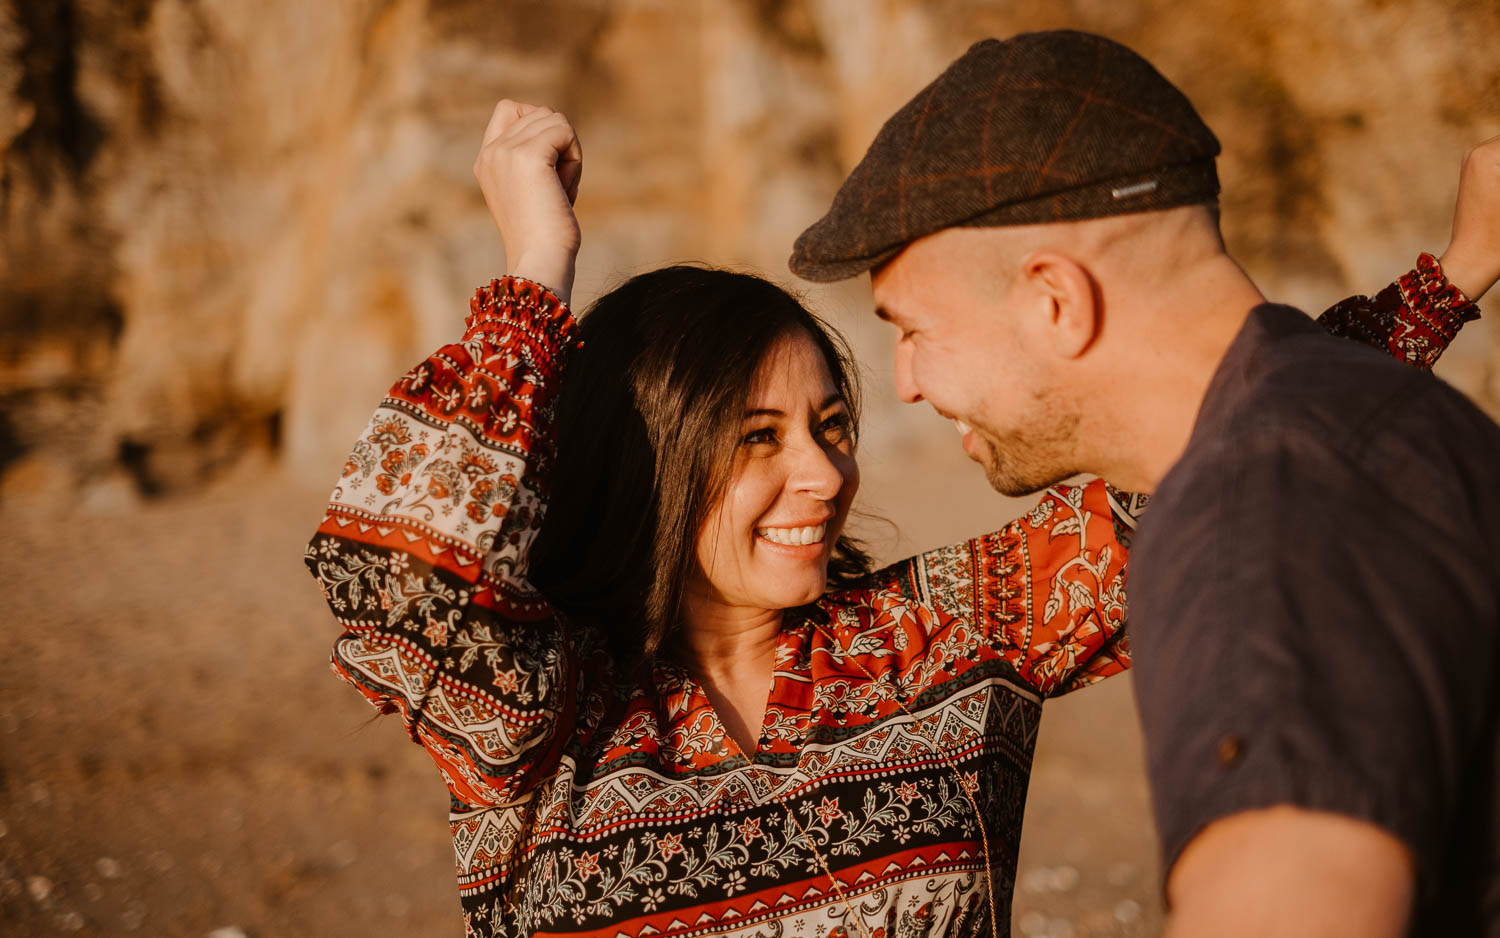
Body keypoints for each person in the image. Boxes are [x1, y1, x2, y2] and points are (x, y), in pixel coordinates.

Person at [304, 98, 1472, 937]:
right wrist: (534, 267)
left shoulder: (941, 638)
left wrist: (1454, 275)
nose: (824, 475)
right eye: (757, 438)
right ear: (647, 462)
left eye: (831, 424)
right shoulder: (549, 715)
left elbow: (1213, 433)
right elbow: (388, 584)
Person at [790, 30, 1500, 938]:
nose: (908, 383)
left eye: (915, 328)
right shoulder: (1340, 422)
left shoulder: (1262, 512)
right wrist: (1453, 272)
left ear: (1054, 301)